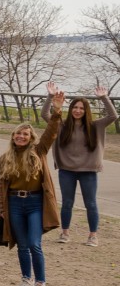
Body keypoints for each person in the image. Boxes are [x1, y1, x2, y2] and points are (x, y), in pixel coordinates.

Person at [0, 105, 63, 286]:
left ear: (31, 137)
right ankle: (26, 279)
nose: (21, 137)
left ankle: (40, 283)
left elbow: (51, 134)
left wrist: (56, 113)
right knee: (22, 244)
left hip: (35, 203)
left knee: (35, 243)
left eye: (25, 134)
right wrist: (2, 208)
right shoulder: (5, 158)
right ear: (13, 136)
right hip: (14, 203)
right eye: (18, 134)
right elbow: (2, 187)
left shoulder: (39, 151)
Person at [43, 83, 115, 247]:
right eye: (75, 107)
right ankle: (65, 232)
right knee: (67, 203)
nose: (77, 110)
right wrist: (50, 97)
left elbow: (113, 116)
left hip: (88, 171)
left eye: (81, 108)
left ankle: (93, 235)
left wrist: (104, 98)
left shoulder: (95, 126)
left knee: (91, 203)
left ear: (86, 110)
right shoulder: (61, 125)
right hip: (66, 171)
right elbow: (45, 114)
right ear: (71, 109)